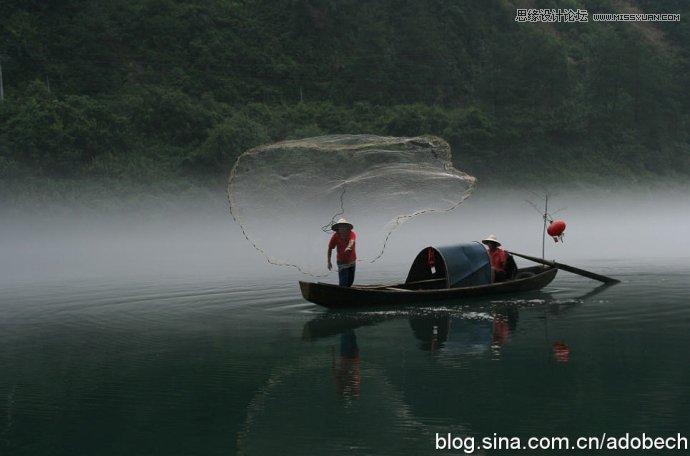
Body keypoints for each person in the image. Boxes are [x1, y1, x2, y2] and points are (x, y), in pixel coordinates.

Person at [327, 218, 357, 287]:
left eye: (344, 227)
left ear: (347, 228)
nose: (342, 229)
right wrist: (329, 262)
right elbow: (330, 248)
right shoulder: (335, 236)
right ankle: (341, 295)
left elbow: (351, 241)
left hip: (352, 262)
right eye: (340, 227)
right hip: (342, 262)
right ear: (338, 229)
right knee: (343, 284)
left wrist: (348, 247)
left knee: (350, 283)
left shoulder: (351, 233)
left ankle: (347, 296)